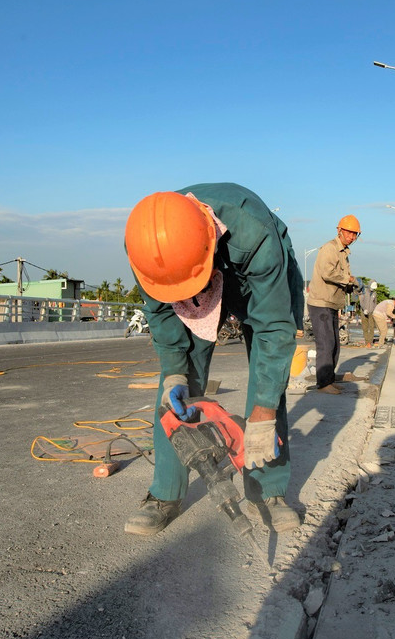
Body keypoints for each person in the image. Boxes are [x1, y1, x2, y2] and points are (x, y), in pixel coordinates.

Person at [123, 185, 304, 537]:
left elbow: (273, 330)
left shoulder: (256, 235)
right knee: (179, 380)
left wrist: (263, 413)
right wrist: (175, 371)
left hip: (253, 275)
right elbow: (161, 312)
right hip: (190, 274)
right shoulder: (144, 245)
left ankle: (266, 490)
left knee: (270, 374)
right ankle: (165, 493)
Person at [305, 214, 360, 393]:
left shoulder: (344, 253)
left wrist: (351, 286)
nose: (352, 237)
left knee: (335, 343)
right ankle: (323, 383)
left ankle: (328, 379)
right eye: (349, 233)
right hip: (320, 302)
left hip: (331, 303)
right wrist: (349, 279)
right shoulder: (330, 249)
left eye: (355, 234)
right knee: (326, 343)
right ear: (339, 231)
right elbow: (327, 273)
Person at [358, 280, 378, 348]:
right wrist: (364, 309)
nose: (372, 289)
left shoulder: (374, 293)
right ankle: (367, 342)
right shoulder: (364, 291)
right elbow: (361, 302)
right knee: (365, 327)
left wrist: (375, 310)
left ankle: (370, 341)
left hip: (371, 312)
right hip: (364, 312)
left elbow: (375, 303)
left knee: (372, 327)